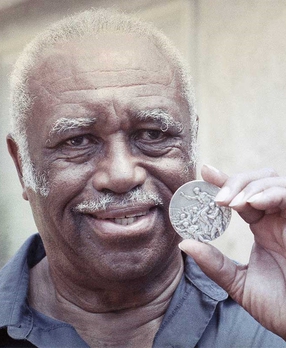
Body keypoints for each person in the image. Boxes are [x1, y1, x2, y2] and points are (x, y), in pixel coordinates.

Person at [0, 8, 285, 347]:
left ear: (191, 145)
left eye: (152, 134)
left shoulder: (267, 321)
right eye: (77, 141)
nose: (122, 175)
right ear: (22, 166)